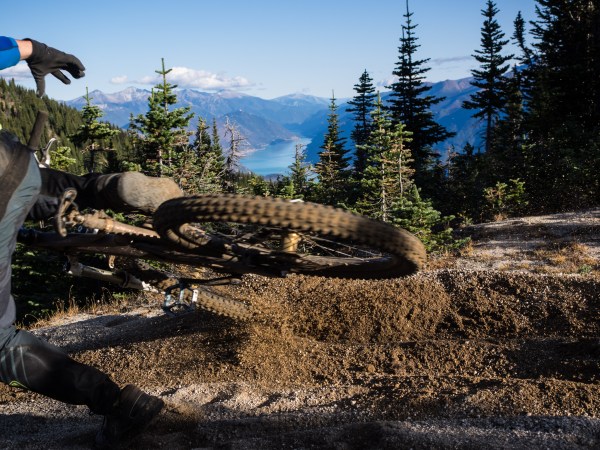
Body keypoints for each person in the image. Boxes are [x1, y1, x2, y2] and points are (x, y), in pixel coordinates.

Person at [0, 36, 177, 448]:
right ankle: (108, 187)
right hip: (11, 161)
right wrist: (38, 51)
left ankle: (118, 404)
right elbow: (14, 46)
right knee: (32, 194)